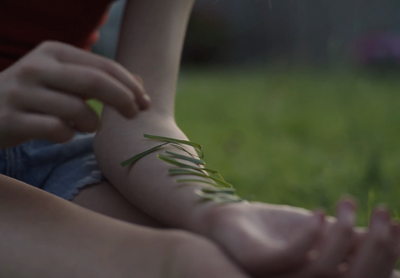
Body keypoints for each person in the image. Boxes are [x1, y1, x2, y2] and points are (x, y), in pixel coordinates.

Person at [0, 0, 399, 277]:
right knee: (192, 267)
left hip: (47, 141)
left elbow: (141, 115)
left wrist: (220, 211)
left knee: (271, 264)